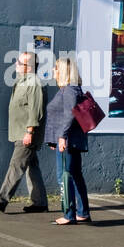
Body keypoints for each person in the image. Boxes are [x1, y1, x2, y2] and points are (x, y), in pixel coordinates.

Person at [0, 52, 48, 214]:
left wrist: (30, 131)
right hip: (20, 132)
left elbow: (36, 110)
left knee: (16, 166)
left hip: (27, 133)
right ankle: (40, 203)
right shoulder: (22, 81)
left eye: (19, 62)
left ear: (28, 66)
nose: (15, 64)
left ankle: (2, 200)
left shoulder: (34, 83)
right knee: (32, 167)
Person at [45, 56, 90, 225]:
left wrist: (62, 137)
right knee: (75, 175)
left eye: (56, 68)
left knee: (64, 176)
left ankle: (69, 214)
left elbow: (69, 114)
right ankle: (83, 213)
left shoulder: (70, 90)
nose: (53, 71)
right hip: (69, 140)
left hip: (68, 141)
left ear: (63, 71)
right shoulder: (70, 89)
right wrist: (53, 140)